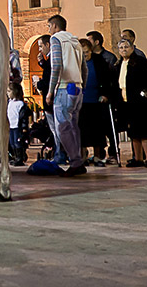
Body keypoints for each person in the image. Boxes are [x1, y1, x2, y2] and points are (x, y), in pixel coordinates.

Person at [45, 14, 86, 176]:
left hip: (64, 87)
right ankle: (78, 160)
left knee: (62, 127)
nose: (49, 30)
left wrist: (50, 91)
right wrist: (82, 86)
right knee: (74, 126)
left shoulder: (56, 39)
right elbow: (84, 68)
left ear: (55, 26)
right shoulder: (76, 41)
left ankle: (75, 162)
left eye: (49, 26)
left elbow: (56, 66)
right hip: (77, 88)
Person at [78, 36, 117, 166]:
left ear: (91, 51)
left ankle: (97, 156)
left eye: (87, 52)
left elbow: (107, 79)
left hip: (96, 100)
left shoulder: (99, 61)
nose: (85, 55)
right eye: (82, 53)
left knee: (97, 131)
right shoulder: (76, 63)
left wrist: (105, 94)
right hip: (81, 101)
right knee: (82, 130)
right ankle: (82, 156)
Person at [117, 38, 147, 166]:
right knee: (133, 132)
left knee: (144, 131)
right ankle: (138, 158)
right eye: (121, 48)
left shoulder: (140, 61)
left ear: (132, 48)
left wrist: (143, 92)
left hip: (140, 102)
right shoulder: (119, 64)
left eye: (126, 47)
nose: (124, 50)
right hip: (126, 102)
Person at [7, 82, 27, 165]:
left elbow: (23, 117)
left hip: (17, 127)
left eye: (9, 91)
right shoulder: (10, 102)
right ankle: (15, 157)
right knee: (12, 143)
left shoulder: (20, 104)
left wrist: (24, 127)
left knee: (17, 142)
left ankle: (20, 158)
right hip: (11, 126)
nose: (7, 93)